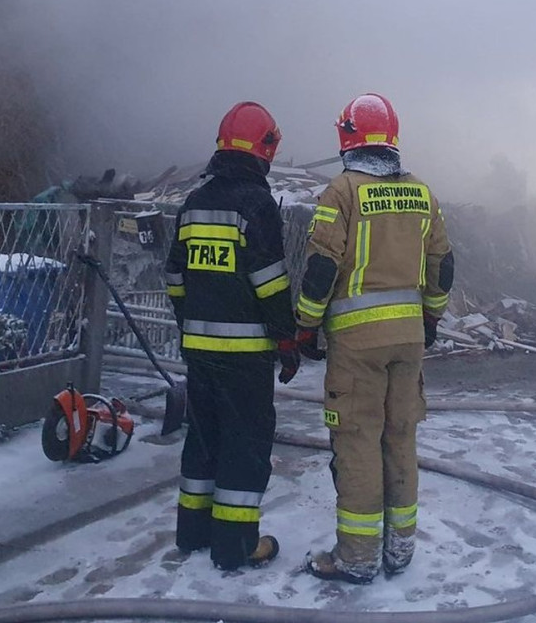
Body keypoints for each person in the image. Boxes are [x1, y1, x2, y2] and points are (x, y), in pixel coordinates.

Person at [294, 93, 454, 584]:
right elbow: (443, 265)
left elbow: (322, 268)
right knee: (400, 437)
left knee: (358, 442)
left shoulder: (340, 192)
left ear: (347, 137)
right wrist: (430, 317)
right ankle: (399, 551)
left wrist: (305, 325)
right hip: (408, 341)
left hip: (357, 346)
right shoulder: (421, 193)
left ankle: (358, 558)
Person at [164, 101, 301, 571]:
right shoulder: (256, 204)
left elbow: (174, 279)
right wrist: (287, 341)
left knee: (203, 440)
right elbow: (272, 284)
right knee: (245, 446)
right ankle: (236, 545)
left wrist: (192, 325)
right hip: (246, 355)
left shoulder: (194, 203)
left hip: (199, 352)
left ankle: (193, 533)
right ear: (264, 149)